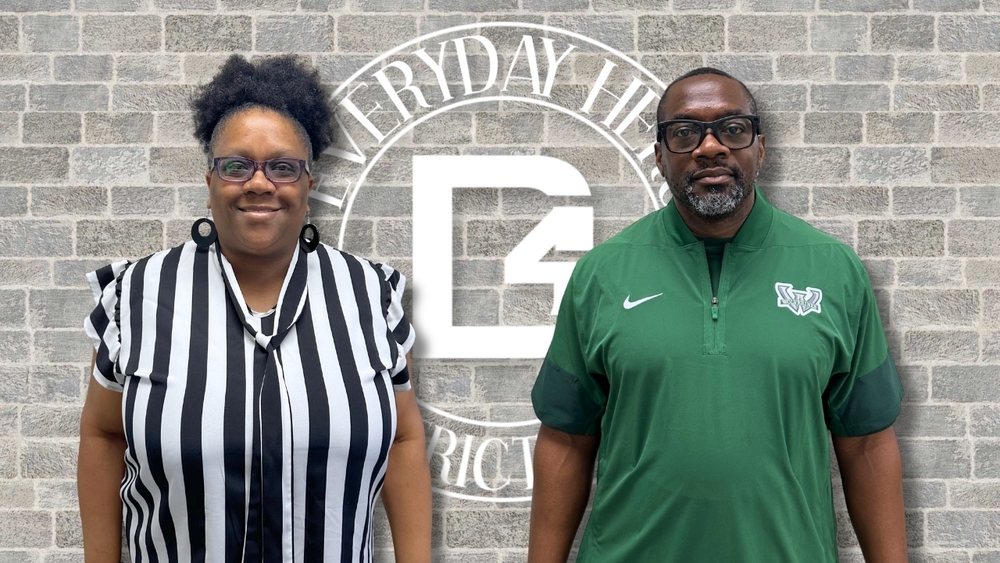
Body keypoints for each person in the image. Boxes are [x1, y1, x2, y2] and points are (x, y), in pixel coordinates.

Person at [527, 67, 907, 563]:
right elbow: (565, 439)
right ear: (660, 156)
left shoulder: (833, 270)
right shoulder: (602, 274)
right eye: (685, 132)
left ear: (761, 148)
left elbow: (866, 443)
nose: (710, 147)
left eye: (732, 128)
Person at [78, 55, 432, 563]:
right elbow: (103, 431)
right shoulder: (135, 295)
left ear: (309, 186)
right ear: (210, 181)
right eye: (237, 165)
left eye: (283, 167)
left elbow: (403, 437)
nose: (260, 183)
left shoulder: (370, 296)